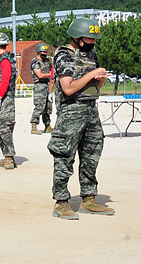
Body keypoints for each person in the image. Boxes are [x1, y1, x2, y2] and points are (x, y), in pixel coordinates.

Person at [48, 18, 113, 219]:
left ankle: (89, 199)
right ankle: (61, 202)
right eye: (89, 38)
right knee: (64, 156)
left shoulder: (91, 54)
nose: (93, 42)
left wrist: (100, 80)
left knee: (91, 154)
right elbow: (68, 88)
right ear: (77, 37)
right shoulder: (64, 56)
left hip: (91, 110)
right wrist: (91, 74)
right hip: (71, 113)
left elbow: (95, 88)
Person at [0, 32, 18, 170]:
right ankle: (6, 155)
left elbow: (5, 81)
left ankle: (9, 157)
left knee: (5, 127)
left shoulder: (5, 60)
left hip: (4, 98)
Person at [29, 42, 55, 135]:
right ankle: (34, 125)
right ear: (38, 52)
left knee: (48, 107)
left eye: (46, 52)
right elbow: (39, 75)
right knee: (39, 106)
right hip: (39, 86)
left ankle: (47, 125)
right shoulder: (35, 62)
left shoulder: (47, 62)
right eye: (43, 52)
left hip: (47, 85)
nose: (45, 54)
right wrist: (51, 74)